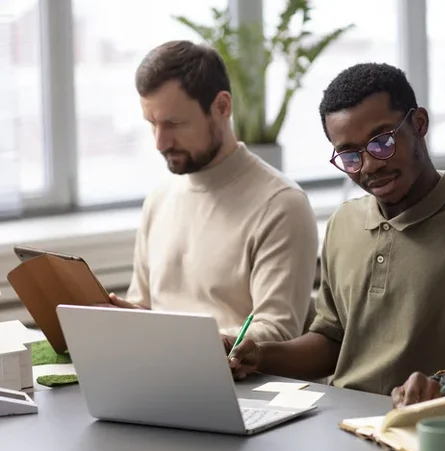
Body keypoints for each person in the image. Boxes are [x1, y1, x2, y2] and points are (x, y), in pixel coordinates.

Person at [225, 62, 445, 397]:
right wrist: (259, 355)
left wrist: (440, 387)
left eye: (382, 142)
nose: (371, 165)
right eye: (350, 155)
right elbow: (332, 341)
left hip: (428, 421)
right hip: (339, 418)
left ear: (419, 124)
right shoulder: (343, 224)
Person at [108, 40, 318, 343]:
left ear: (222, 106)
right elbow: (144, 308)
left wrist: (185, 343)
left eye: (174, 123)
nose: (160, 142)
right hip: (159, 366)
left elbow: (277, 332)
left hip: (233, 373)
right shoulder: (159, 200)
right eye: (152, 123)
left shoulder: (282, 206)